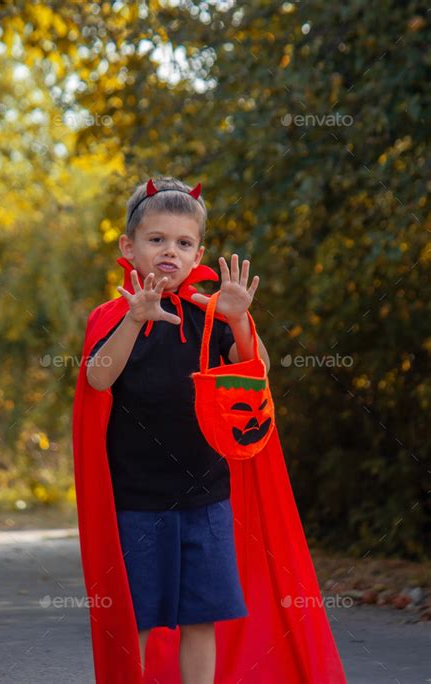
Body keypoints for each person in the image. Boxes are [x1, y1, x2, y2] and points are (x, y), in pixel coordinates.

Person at [72, 176, 347, 683]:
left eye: (183, 242)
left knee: (202, 618)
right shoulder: (113, 317)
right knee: (141, 617)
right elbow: (97, 377)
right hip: (137, 502)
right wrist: (135, 321)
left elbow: (255, 375)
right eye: (156, 241)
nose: (170, 253)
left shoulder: (210, 316)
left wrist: (241, 323)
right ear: (128, 247)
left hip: (207, 496)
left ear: (199, 250)